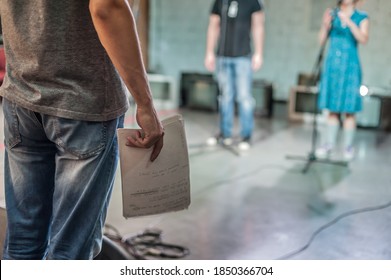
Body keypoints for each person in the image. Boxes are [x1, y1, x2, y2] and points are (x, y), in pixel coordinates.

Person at [0, 0, 164, 259]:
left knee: (23, 242)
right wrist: (145, 103)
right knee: (69, 250)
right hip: (84, 101)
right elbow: (106, 7)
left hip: (21, 93)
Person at [205, 0, 265, 151]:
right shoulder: (221, 2)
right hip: (223, 56)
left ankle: (246, 135)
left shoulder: (253, 2)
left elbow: (258, 26)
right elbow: (213, 26)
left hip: (243, 57)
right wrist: (209, 52)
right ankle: (225, 134)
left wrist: (258, 53)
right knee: (225, 96)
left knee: (244, 97)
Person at [316, 0, 369, 161]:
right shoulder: (332, 14)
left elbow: (364, 39)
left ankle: (347, 146)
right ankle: (329, 144)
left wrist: (349, 23)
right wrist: (325, 25)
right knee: (332, 108)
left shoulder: (362, 17)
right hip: (333, 66)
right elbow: (321, 41)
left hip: (350, 66)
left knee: (349, 109)